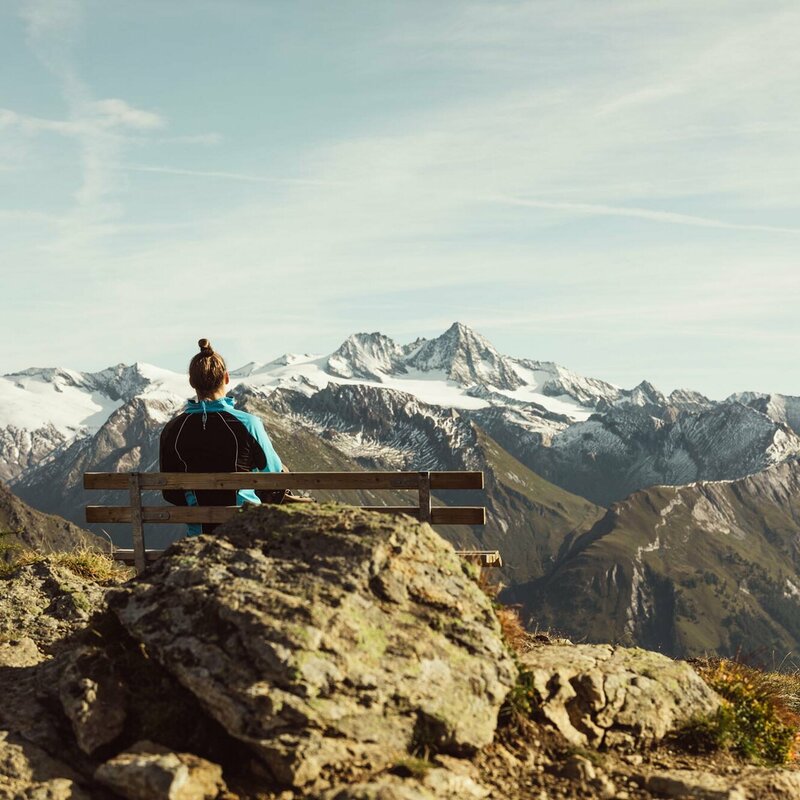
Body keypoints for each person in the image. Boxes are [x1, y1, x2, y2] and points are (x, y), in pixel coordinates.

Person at [159, 338, 302, 535]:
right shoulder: (248, 423)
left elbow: (170, 492)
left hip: (198, 536)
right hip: (246, 532)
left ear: (192, 382)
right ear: (226, 378)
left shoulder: (172, 429)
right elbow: (275, 477)